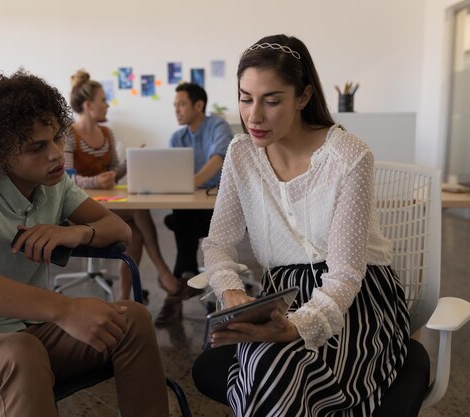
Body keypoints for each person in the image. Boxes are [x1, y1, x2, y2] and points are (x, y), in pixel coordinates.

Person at [0, 70, 169, 417]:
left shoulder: (54, 184)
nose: (57, 154)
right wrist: (64, 309)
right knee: (20, 352)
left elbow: (119, 229)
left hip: (20, 325)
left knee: (131, 319)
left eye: (58, 138)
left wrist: (72, 232)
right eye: (37, 147)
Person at [199, 35, 410, 416]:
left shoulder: (349, 155)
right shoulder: (240, 153)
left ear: (303, 97)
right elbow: (218, 243)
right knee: (270, 365)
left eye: (272, 100)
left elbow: (346, 273)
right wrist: (231, 293)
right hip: (282, 293)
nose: (254, 116)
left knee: (282, 369)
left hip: (355, 298)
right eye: (246, 98)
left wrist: (299, 327)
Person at [64, 69, 179, 300]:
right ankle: (162, 270)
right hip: (79, 205)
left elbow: (113, 176)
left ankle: (125, 298)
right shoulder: (69, 134)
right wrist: (95, 181)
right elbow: (66, 178)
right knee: (138, 208)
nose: (107, 105)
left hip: (106, 202)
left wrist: (131, 162)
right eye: (103, 101)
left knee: (135, 232)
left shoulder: (107, 133)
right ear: (88, 105)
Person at [155, 82, 234, 325]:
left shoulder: (217, 125)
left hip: (221, 209)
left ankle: (178, 290)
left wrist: (191, 182)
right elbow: (172, 172)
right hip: (191, 209)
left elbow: (219, 157)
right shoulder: (177, 137)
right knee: (182, 215)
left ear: (199, 105)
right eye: (174, 105)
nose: (176, 110)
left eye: (181, 104)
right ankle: (186, 276)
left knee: (180, 219)